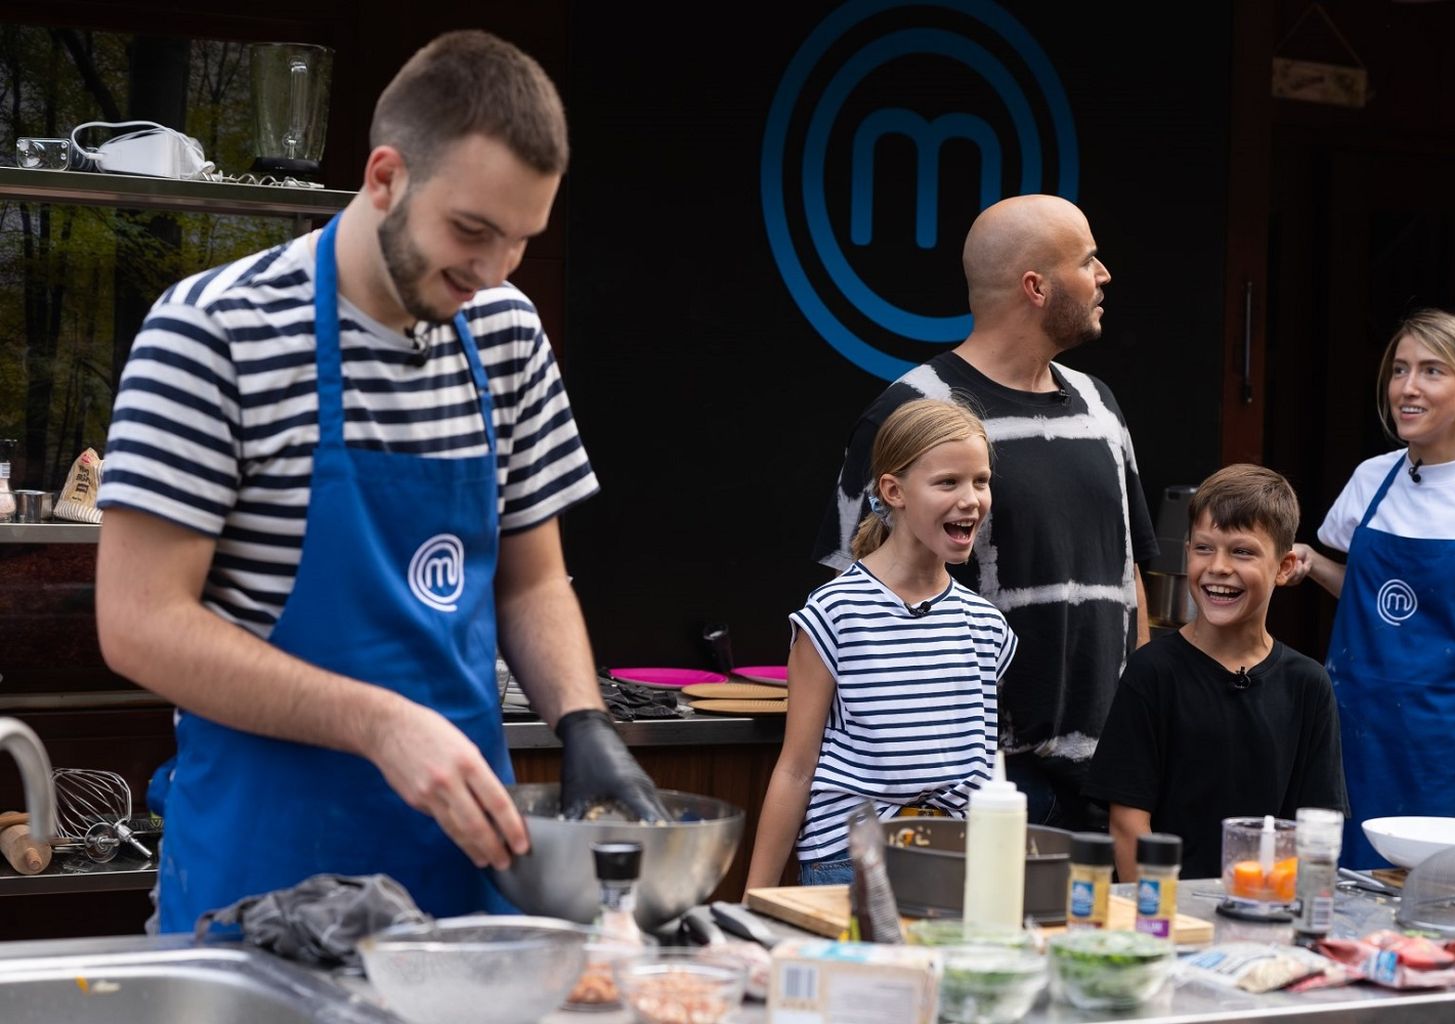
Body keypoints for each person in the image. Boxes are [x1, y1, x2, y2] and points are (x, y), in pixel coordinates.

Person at [93, 30, 666, 932]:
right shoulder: (211, 333)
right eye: (471, 231)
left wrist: (583, 721)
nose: (492, 271)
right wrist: (379, 723)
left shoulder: (508, 333)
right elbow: (139, 624)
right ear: (386, 176)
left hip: (461, 875)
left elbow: (532, 582)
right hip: (263, 881)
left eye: (521, 240)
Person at [813, 195, 1157, 831]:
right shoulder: (914, 407)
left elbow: (1129, 574)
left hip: (1104, 780)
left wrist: (1140, 735)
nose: (1104, 275)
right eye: (1088, 261)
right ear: (1036, 287)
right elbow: (853, 600)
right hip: (969, 785)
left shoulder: (1100, 405)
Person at [1289, 310, 1455, 867]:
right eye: (1400, 369)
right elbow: (1379, 600)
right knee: (1338, 898)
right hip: (1350, 745)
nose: (1407, 387)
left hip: (1445, 756)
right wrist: (1314, 563)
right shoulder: (1371, 480)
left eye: (1431, 371)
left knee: (1440, 903)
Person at [747, 399, 1017, 889]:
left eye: (981, 481)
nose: (971, 499)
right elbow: (795, 769)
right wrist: (755, 899)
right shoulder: (835, 611)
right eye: (947, 482)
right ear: (894, 491)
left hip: (959, 863)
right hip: (849, 864)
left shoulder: (986, 625)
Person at [1083, 465, 1348, 879]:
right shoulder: (1152, 671)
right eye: (1204, 548)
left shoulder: (1308, 685)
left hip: (1263, 903)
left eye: (1242, 552)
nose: (1219, 566)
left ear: (1284, 566)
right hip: (1164, 907)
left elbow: (1315, 831)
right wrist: (1158, 911)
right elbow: (1128, 824)